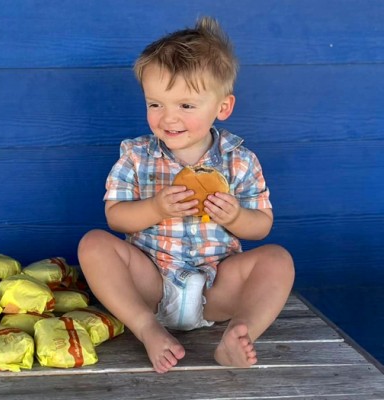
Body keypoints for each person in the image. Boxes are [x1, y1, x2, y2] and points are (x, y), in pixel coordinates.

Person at [77, 16, 295, 374]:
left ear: (222, 108)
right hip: (151, 281)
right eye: (155, 104)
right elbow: (115, 217)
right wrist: (156, 207)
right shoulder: (136, 156)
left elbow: (261, 227)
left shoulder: (239, 161)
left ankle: (240, 334)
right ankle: (147, 328)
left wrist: (236, 217)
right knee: (93, 245)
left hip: (216, 287)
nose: (168, 118)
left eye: (186, 106)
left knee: (278, 260)